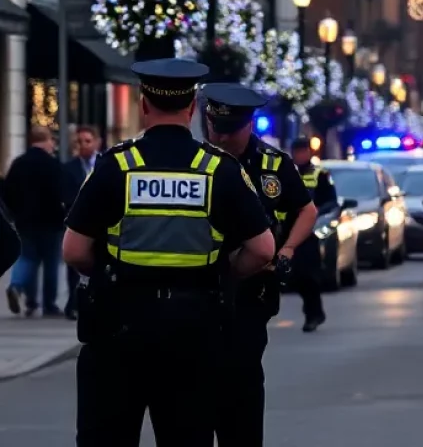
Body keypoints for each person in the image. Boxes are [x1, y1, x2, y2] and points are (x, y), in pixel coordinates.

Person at [64, 60, 275, 447]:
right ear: (193, 106)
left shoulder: (116, 165)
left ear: (144, 104)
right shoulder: (217, 169)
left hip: (119, 329)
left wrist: (110, 270)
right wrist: (226, 271)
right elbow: (262, 251)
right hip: (194, 333)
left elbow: (74, 249)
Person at [203, 84, 316, 447]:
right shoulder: (197, 161)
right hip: (202, 288)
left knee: (243, 381)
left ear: (249, 125)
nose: (219, 137)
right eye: (213, 128)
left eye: (229, 131)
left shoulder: (272, 164)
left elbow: (306, 209)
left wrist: (287, 251)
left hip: (252, 288)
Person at [4, 126, 65, 316]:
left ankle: (22, 292)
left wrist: (14, 213)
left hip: (25, 221)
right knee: (51, 263)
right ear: (47, 140)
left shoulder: (19, 163)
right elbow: (61, 192)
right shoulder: (53, 164)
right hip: (51, 221)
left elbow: (7, 192)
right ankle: (49, 303)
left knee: (27, 257)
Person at [288, 136, 337, 332]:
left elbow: (331, 202)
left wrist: (316, 213)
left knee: (308, 276)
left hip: (309, 233)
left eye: (302, 151)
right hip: (285, 230)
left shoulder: (320, 175)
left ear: (309, 153)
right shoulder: (286, 174)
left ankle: (313, 314)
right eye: (296, 152)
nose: (299, 155)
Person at [62, 125, 101, 320]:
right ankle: (73, 304)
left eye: (87, 141)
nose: (84, 145)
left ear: (96, 142)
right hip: (78, 223)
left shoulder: (107, 164)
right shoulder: (69, 168)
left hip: (101, 225)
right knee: (74, 267)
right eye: (79, 141)